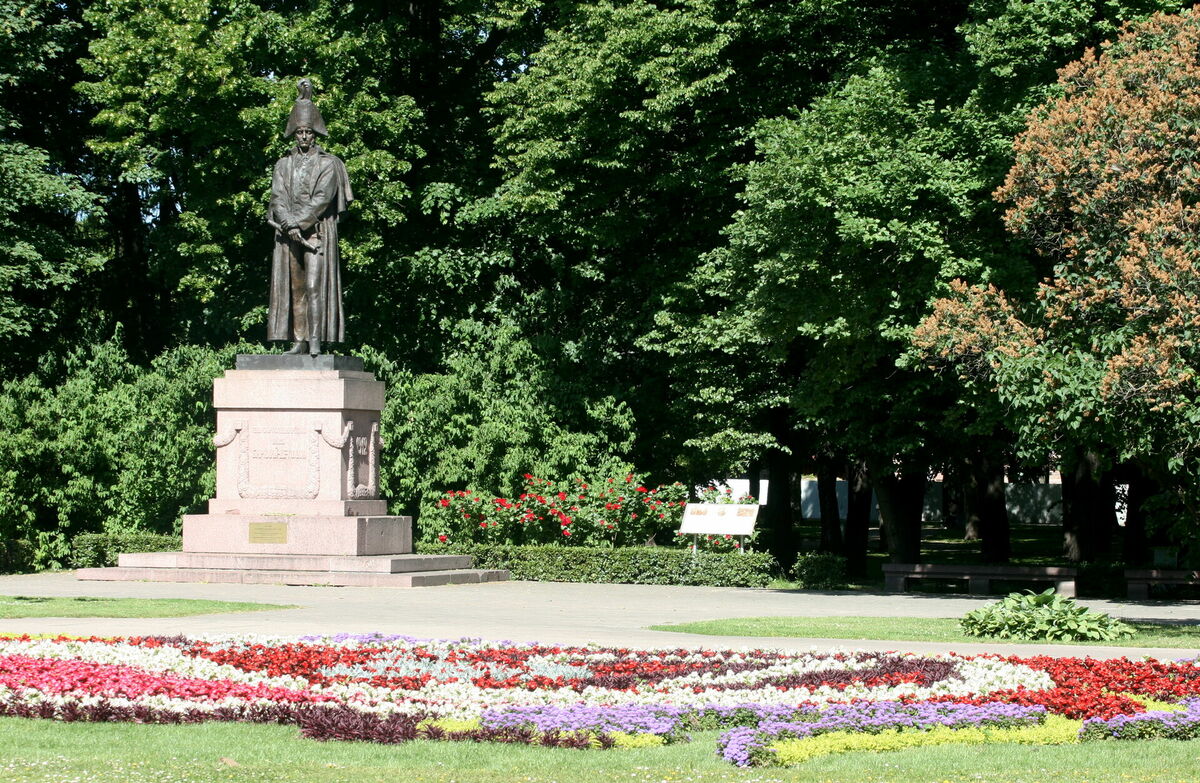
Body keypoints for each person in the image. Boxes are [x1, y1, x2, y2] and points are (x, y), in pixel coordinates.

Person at [266, 79, 353, 356]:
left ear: (314, 134)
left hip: (316, 234)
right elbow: (277, 197)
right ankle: (300, 341)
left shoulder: (329, 164)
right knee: (296, 288)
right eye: (299, 132)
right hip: (288, 234)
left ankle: (316, 339)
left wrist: (298, 224)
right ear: (295, 135)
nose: (303, 136)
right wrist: (288, 224)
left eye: (308, 132)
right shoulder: (283, 164)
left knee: (315, 286)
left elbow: (322, 199)